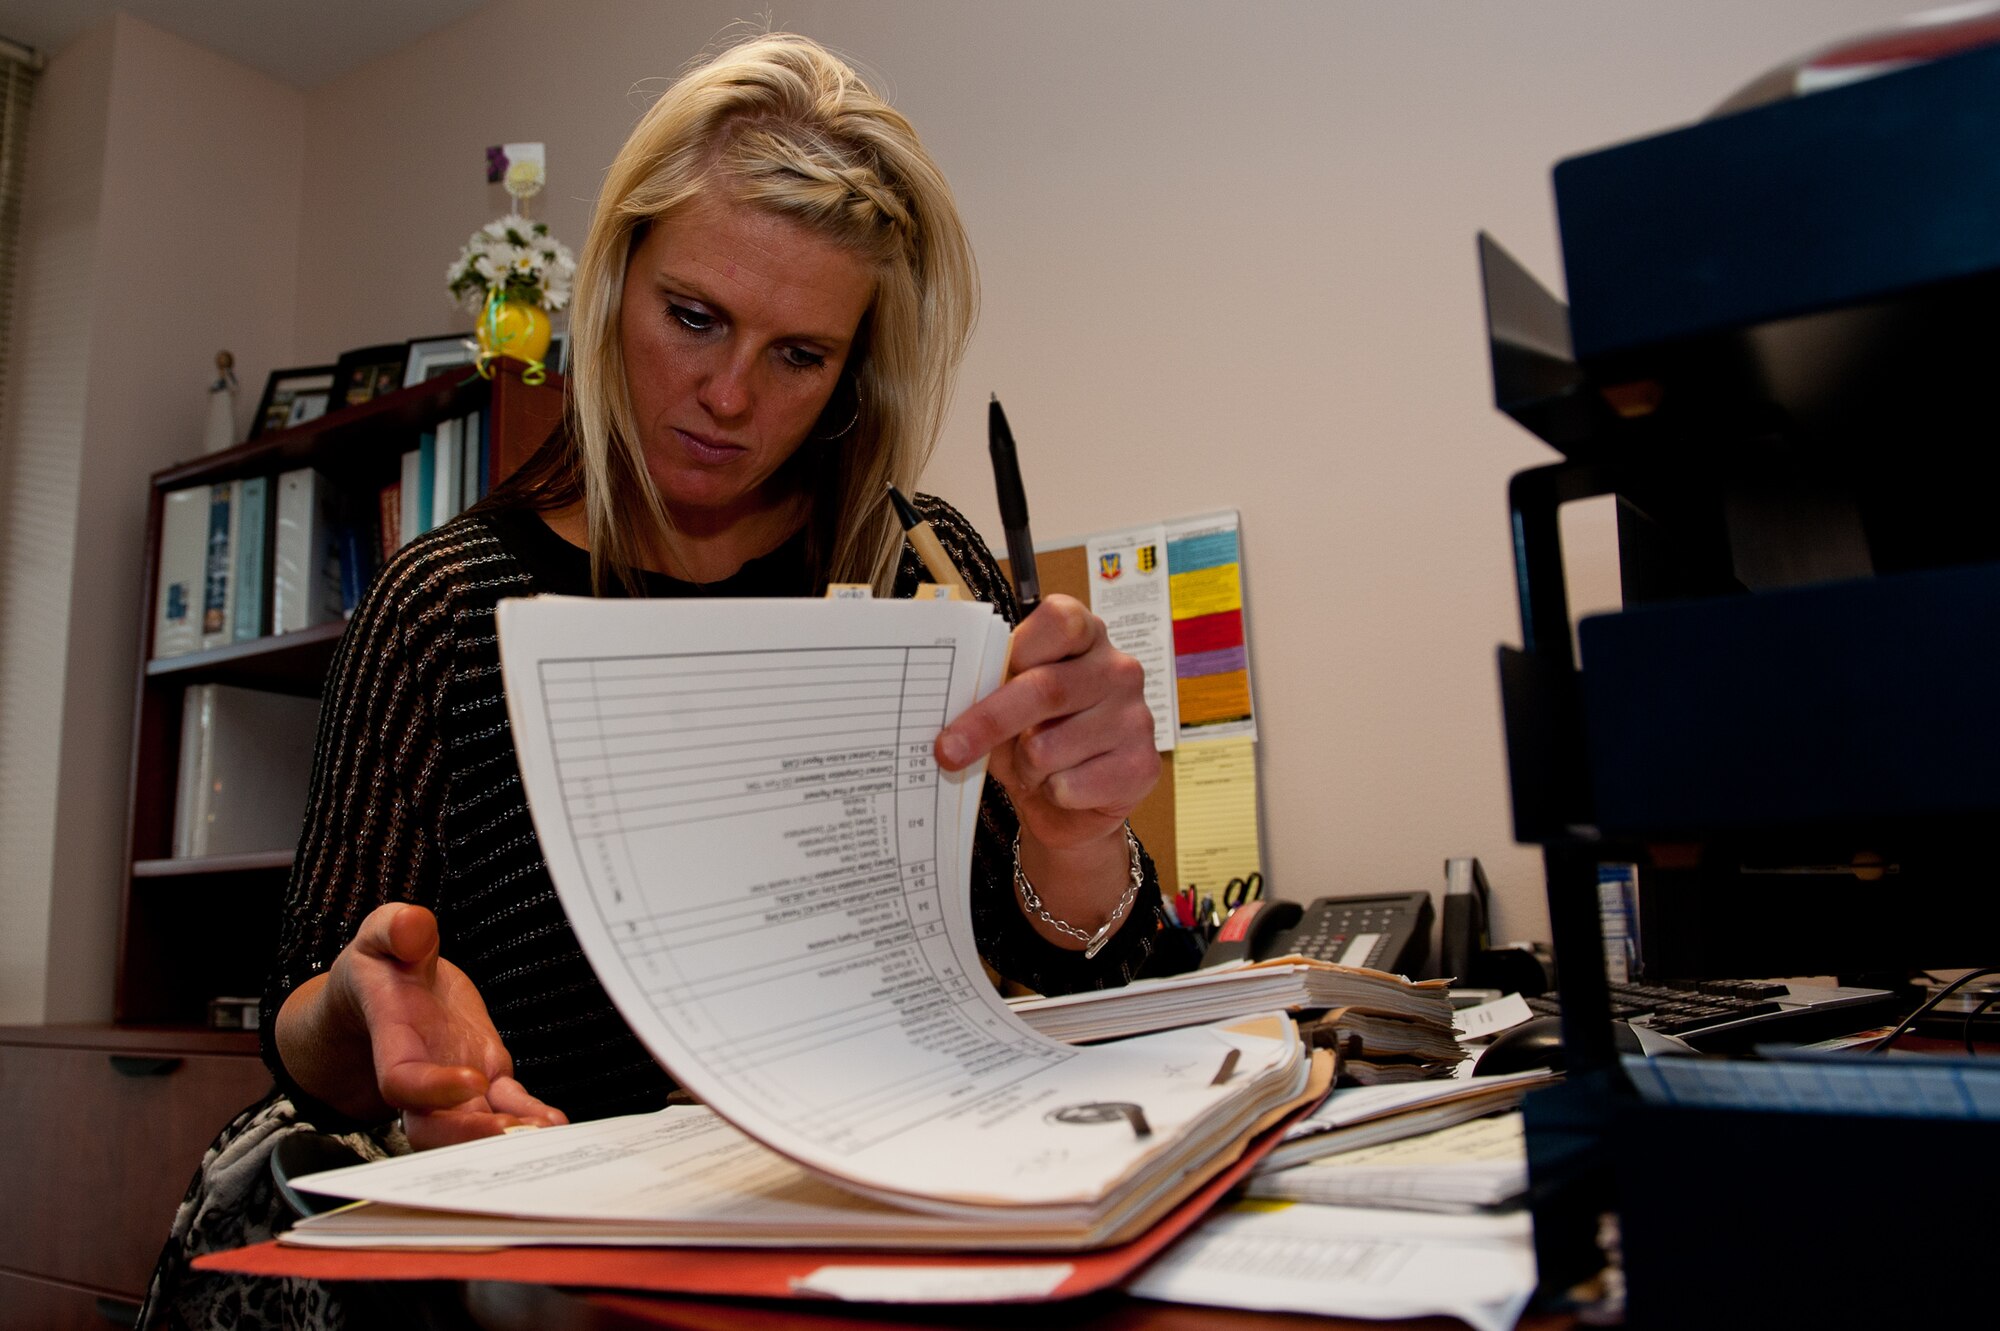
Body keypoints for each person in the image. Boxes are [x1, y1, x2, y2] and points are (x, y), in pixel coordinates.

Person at [142, 32, 1165, 1329]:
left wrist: (1078, 837)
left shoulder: (925, 575)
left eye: (798, 355)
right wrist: (365, 1008)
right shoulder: (444, 607)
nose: (728, 396)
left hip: (861, 1248)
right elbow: (304, 1041)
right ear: (615, 280)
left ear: (854, 370)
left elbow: (1092, 984)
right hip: (556, 1279)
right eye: (693, 317)